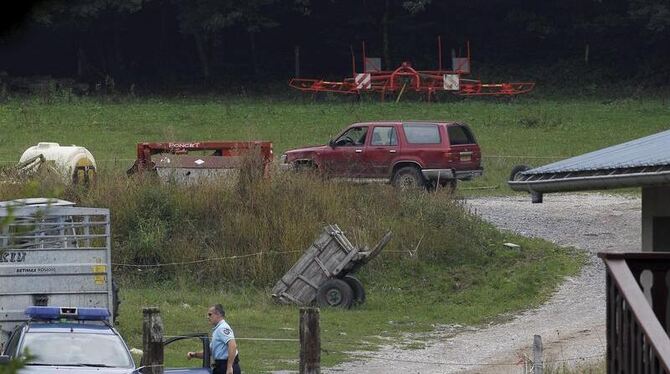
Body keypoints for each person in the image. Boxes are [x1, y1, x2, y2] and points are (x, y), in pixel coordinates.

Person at [186, 304, 241, 374]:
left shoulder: (222, 328)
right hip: (221, 367)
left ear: (218, 314)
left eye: (210, 314)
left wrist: (229, 367)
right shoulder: (218, 329)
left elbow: (232, 345)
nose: (207, 317)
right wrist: (194, 354)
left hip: (226, 367)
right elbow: (209, 352)